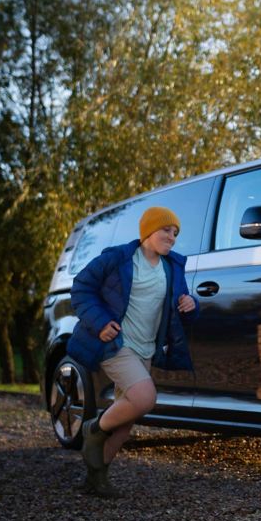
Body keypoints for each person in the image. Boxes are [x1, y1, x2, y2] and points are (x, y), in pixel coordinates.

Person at [67, 206, 199, 497]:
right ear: (149, 230)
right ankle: (94, 427)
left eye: (176, 233)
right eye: (167, 230)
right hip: (116, 344)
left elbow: (182, 308)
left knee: (125, 422)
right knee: (144, 398)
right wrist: (101, 322)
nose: (172, 237)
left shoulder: (172, 266)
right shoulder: (118, 258)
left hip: (146, 348)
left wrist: (191, 305)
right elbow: (81, 289)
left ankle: (96, 478)